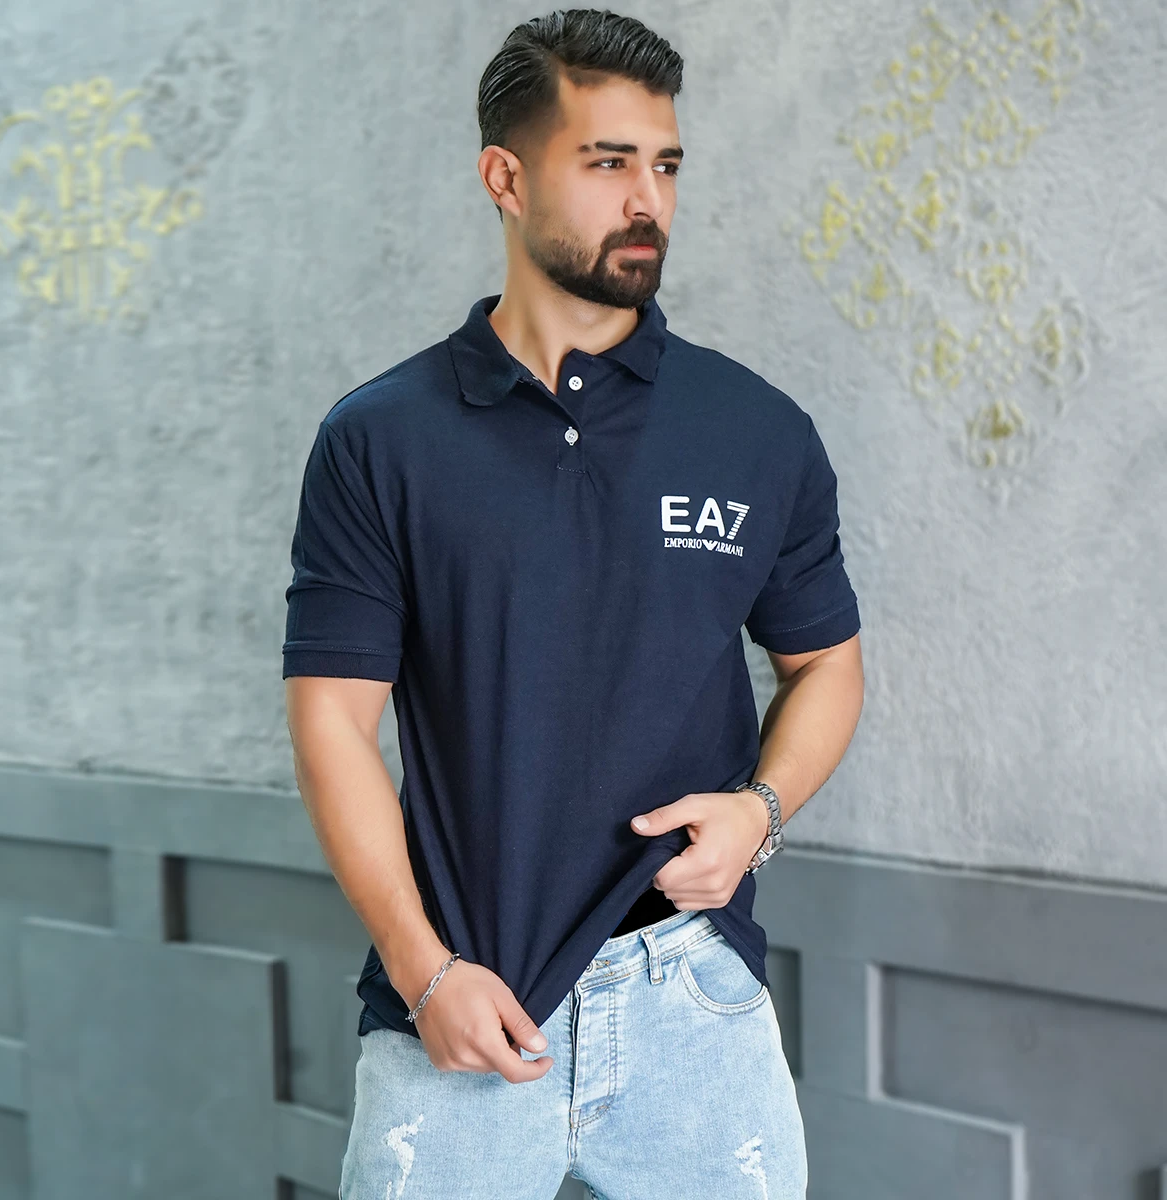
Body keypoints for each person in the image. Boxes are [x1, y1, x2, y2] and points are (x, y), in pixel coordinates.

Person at [282, 9, 864, 1198]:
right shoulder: (380, 441)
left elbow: (827, 667)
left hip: (694, 1003)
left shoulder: (758, 432)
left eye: (665, 165)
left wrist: (759, 810)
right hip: (464, 1005)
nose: (648, 199)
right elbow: (333, 720)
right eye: (608, 164)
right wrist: (423, 970)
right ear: (506, 178)